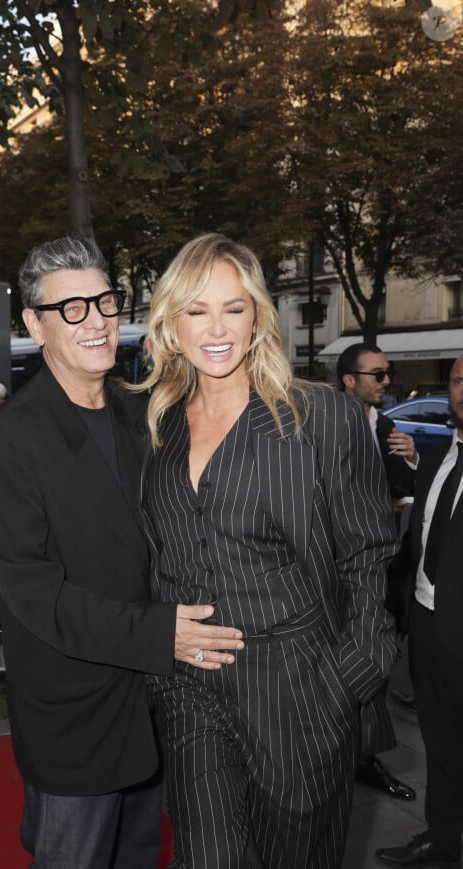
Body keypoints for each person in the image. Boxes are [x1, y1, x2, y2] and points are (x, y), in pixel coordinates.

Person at [0, 235, 244, 868]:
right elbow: (36, 596)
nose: (95, 320)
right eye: (71, 309)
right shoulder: (9, 442)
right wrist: (159, 634)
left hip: (157, 707)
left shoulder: (140, 411)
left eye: (104, 301)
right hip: (77, 713)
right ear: (34, 326)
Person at [137, 233, 398, 868]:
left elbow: (368, 560)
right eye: (196, 310)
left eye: (234, 307)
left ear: (257, 315)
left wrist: (342, 687)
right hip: (190, 689)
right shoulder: (157, 422)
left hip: (299, 690)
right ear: (172, 323)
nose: (216, 327)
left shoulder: (321, 417)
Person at [375, 355, 463, 868]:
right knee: (440, 743)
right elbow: (417, 547)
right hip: (429, 628)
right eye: (456, 380)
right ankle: (442, 835)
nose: (462, 389)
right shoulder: (434, 459)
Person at [337, 342, 417, 801]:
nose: (386, 383)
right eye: (377, 375)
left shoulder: (386, 427)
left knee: (375, 665)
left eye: (388, 374)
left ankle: (364, 757)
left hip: (376, 569)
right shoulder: (315, 423)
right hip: (328, 568)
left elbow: (401, 491)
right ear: (349, 380)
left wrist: (410, 463)